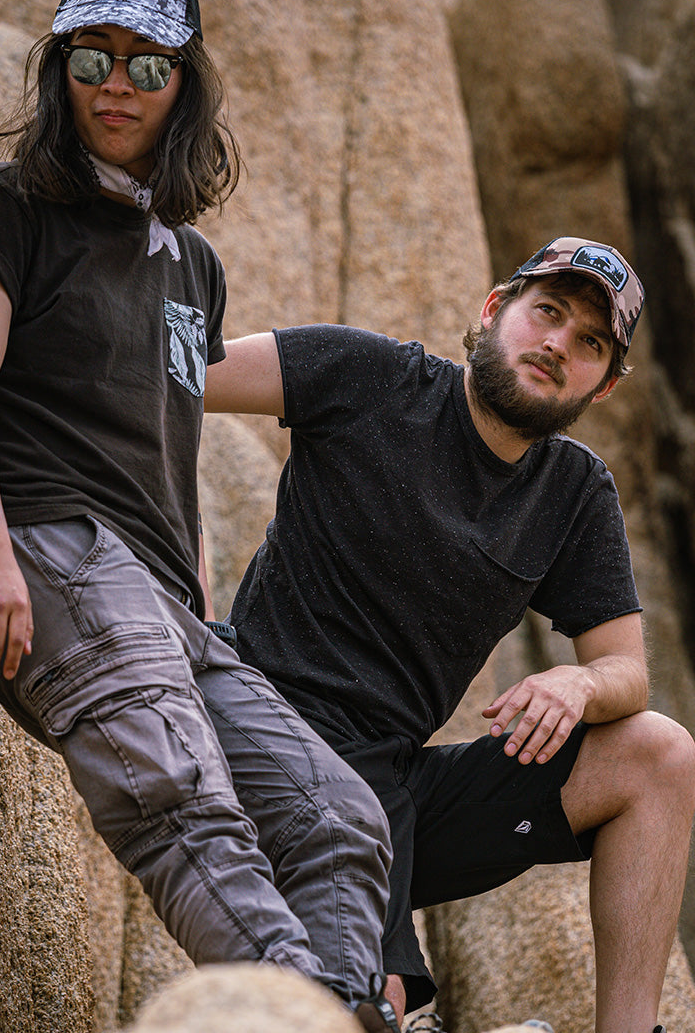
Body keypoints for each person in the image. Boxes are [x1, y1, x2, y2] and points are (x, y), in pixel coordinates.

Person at [0, 0, 403, 1030]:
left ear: (185, 84)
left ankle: (335, 1009)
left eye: (149, 64)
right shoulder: (1, 210)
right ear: (58, 69)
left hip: (164, 601)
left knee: (336, 810)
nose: (116, 86)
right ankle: (311, 1018)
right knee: (184, 803)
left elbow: (169, 426)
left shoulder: (192, 263)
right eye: (92, 55)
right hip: (55, 549)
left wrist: (192, 587)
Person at [204, 236, 695, 1033]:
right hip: (264, 740)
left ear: (605, 385)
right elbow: (172, 377)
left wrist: (580, 681)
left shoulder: (572, 495)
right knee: (367, 1003)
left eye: (590, 343)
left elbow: (626, 674)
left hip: (391, 783)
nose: (557, 345)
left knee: (660, 755)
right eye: (548, 313)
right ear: (495, 309)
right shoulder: (369, 377)